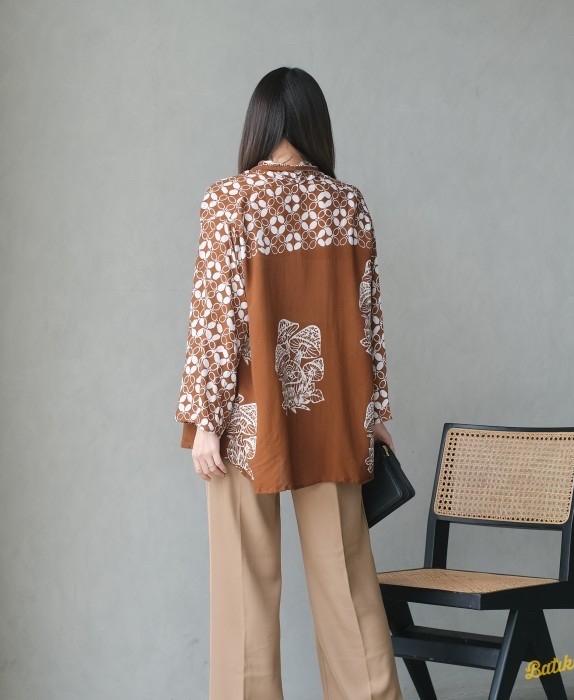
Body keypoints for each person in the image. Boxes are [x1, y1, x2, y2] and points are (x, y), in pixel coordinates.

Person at [174, 66, 403, 700]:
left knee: (244, 591)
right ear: (314, 125)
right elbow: (367, 317)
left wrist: (204, 420)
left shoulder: (229, 200)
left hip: (247, 421)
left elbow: (216, 316)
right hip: (333, 416)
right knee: (348, 582)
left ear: (259, 125)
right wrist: (373, 410)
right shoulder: (347, 203)